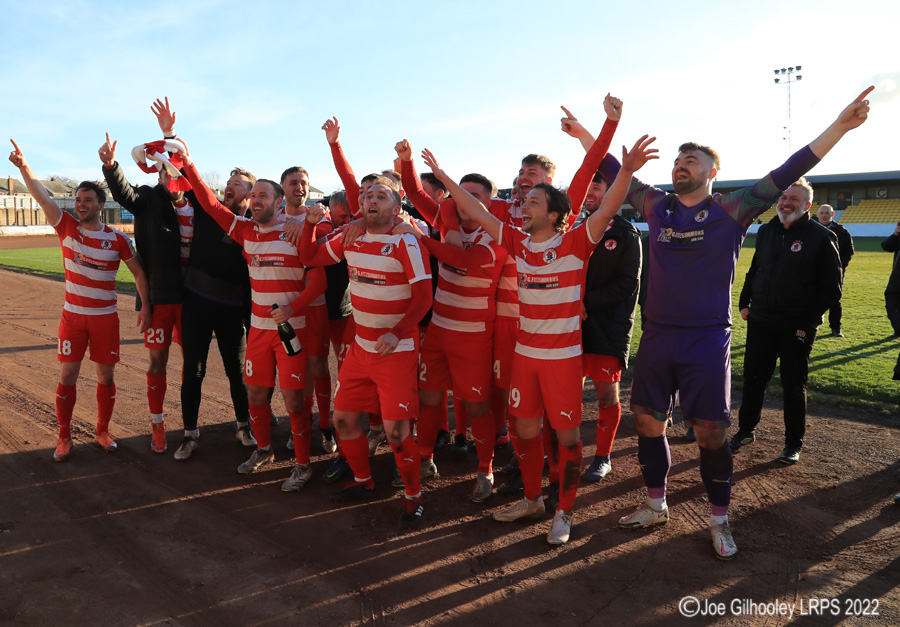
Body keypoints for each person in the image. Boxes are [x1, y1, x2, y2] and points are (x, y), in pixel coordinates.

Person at [560, 86, 872, 560]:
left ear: (712, 172)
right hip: (658, 334)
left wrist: (841, 127)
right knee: (647, 421)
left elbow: (790, 168)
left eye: (691, 159)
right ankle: (654, 503)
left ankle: (720, 519)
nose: (680, 163)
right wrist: (586, 132)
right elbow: (609, 168)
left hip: (707, 338)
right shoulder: (655, 206)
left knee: (710, 432)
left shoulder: (733, 208)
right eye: (678, 158)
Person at [420, 128, 656, 545]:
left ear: (554, 213)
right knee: (524, 431)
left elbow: (610, 205)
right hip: (525, 357)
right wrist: (443, 176)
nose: (521, 205)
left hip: (563, 359)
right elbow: (475, 206)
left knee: (566, 437)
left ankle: (563, 512)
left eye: (532, 201)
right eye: (522, 200)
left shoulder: (577, 243)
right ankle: (533, 499)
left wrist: (627, 173)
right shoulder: (517, 243)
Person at [177, 144, 326, 492]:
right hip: (258, 331)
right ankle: (263, 450)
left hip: (291, 330)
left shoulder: (296, 231)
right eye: (253, 195)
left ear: (277, 202)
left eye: (263, 195)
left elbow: (318, 279)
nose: (256, 200)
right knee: (255, 395)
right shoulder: (245, 231)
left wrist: (293, 308)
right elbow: (210, 203)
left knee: (292, 401)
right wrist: (189, 163)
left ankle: (302, 466)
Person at [299, 177, 433, 526]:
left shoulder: (407, 241)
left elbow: (423, 298)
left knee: (396, 434)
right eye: (367, 195)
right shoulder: (351, 236)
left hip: (397, 350)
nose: (372, 200)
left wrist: (397, 332)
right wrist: (311, 226)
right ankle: (363, 479)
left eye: (381, 195)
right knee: (343, 420)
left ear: (396, 204)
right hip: (361, 349)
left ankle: (414, 497)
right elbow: (309, 256)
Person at [8, 139, 151, 460]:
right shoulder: (66, 227)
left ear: (101, 204)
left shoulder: (117, 239)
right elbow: (42, 196)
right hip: (72, 318)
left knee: (106, 377)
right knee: (68, 376)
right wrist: (24, 167)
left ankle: (102, 430)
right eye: (78, 199)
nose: (81, 204)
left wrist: (146, 307)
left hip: (105, 319)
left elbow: (140, 274)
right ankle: (64, 437)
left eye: (87, 200)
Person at [150, 97, 256, 460]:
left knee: (236, 372)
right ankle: (190, 434)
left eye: (239, 183)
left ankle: (244, 425)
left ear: (251, 194)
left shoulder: (253, 228)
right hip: (196, 304)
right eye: (229, 181)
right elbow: (184, 173)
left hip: (231, 311)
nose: (231, 185)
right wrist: (170, 134)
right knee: (192, 371)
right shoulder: (207, 208)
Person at [731, 178, 842, 464]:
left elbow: (833, 288)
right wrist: (745, 303)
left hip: (797, 326)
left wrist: (807, 320)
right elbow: (755, 270)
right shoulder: (767, 231)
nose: (785, 202)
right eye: (783, 198)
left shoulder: (821, 237)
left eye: (793, 199)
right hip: (762, 320)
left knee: (793, 384)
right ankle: (745, 430)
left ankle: (793, 443)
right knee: (754, 380)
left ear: (807, 205)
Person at [99, 127, 191, 455]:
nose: (169, 177)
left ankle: (191, 427)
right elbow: (126, 194)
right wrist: (111, 167)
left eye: (174, 172)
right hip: (161, 298)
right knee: (157, 363)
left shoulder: (200, 204)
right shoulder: (150, 198)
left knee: (192, 365)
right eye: (164, 171)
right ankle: (158, 425)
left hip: (194, 299)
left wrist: (172, 134)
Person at [579, 171, 642, 482]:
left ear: (612, 191)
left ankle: (602, 456)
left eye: (597, 185)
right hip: (571, 327)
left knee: (605, 395)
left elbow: (629, 284)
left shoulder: (627, 233)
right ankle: (566, 452)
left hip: (607, 328)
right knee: (564, 395)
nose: (590, 191)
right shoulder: (574, 229)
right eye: (587, 185)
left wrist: (584, 304)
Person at [813, 203, 854, 336]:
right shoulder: (810, 230)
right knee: (811, 297)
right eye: (822, 213)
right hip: (813, 271)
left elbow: (849, 251)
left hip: (835, 272)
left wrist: (840, 266)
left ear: (832, 214)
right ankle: (812, 324)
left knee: (835, 300)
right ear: (818, 214)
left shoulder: (842, 232)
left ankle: (836, 328)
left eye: (827, 213)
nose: (824, 215)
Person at [882, 223, 900, 337]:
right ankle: (898, 330)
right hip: (897, 276)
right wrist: (895, 235)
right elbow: (886, 246)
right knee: (893, 302)